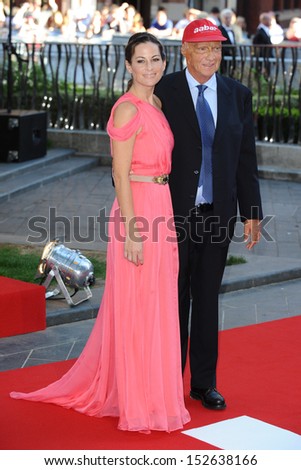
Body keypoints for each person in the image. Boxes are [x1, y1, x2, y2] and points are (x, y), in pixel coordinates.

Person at [10, 32, 190, 434]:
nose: (150, 67)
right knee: (139, 306)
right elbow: (119, 175)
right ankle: (138, 400)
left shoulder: (156, 102)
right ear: (128, 66)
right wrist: (131, 231)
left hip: (160, 204)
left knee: (158, 302)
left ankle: (153, 393)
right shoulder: (127, 110)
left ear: (164, 61)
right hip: (138, 210)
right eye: (141, 61)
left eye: (156, 59)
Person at [155, 19, 263, 411]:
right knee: (173, 300)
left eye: (216, 48)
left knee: (206, 298)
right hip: (171, 214)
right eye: (202, 48)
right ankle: (167, 381)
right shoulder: (162, 91)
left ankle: (203, 384)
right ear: (185, 50)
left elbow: (245, 158)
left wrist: (252, 212)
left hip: (218, 215)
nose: (211, 55)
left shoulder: (238, 94)